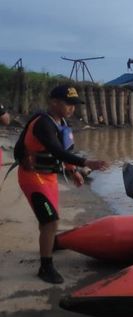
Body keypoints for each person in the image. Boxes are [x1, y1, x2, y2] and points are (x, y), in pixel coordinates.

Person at [14, 85, 109, 284]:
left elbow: (64, 151)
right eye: (68, 103)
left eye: (74, 104)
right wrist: (85, 163)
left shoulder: (63, 123)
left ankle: (50, 245)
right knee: (51, 221)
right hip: (33, 177)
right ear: (54, 102)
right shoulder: (43, 124)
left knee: (48, 219)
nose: (72, 108)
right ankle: (45, 266)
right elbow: (57, 152)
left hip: (49, 178)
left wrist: (73, 171)